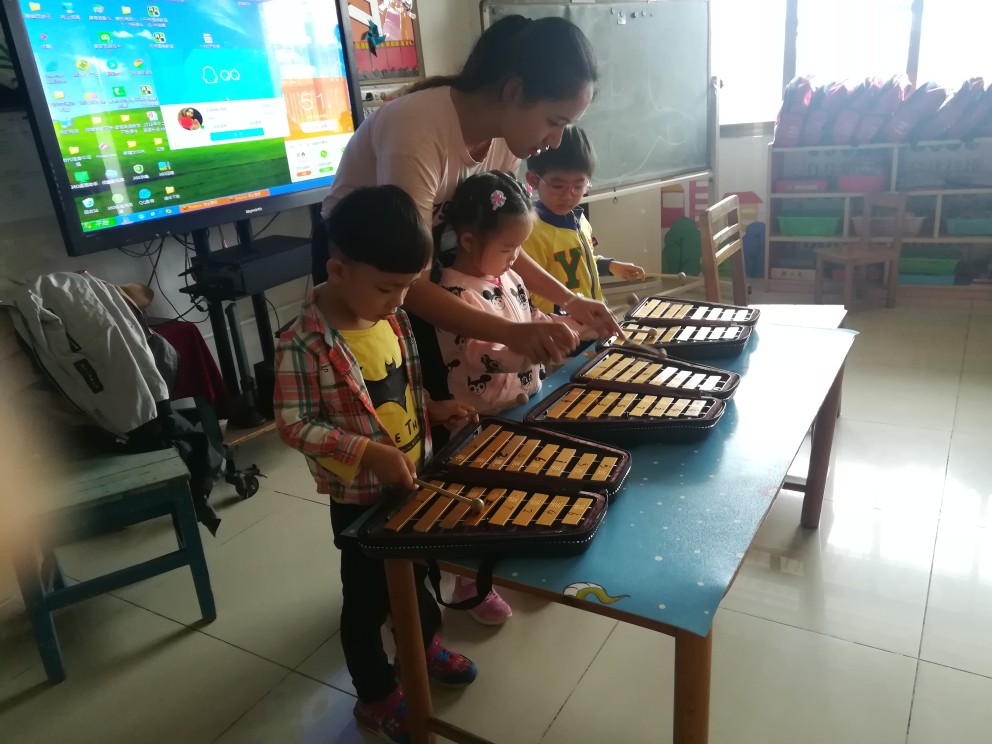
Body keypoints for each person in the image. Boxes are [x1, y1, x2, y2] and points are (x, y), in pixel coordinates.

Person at [313, 14, 621, 406]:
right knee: (388, 399)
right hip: (364, 263)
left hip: (421, 257)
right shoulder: (417, 128)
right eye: (554, 121)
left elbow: (505, 241)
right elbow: (410, 283)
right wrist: (511, 332)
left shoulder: (507, 137)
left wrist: (571, 300)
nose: (557, 141)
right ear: (513, 92)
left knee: (445, 404)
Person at [275, 186, 478, 744]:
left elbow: (398, 386)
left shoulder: (393, 318)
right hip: (360, 500)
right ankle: (376, 696)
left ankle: (421, 644)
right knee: (365, 601)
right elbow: (294, 424)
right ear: (338, 271)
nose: (399, 299)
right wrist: (368, 453)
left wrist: (432, 408)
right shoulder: (303, 342)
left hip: (415, 479)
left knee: (420, 573)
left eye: (408, 286)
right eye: (388, 287)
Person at [438, 172, 590, 411]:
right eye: (507, 249)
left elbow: (533, 317)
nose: (515, 257)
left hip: (530, 400)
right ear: (468, 242)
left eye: (520, 247)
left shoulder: (510, 276)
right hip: (485, 416)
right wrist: (533, 353)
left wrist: (571, 328)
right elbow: (479, 354)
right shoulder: (453, 293)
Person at [523, 126, 645, 314]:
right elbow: (530, 288)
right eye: (558, 186)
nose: (568, 195)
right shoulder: (531, 231)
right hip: (562, 325)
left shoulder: (579, 220)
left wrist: (611, 266)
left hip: (590, 318)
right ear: (533, 180)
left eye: (579, 186)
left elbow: (578, 263)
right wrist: (566, 315)